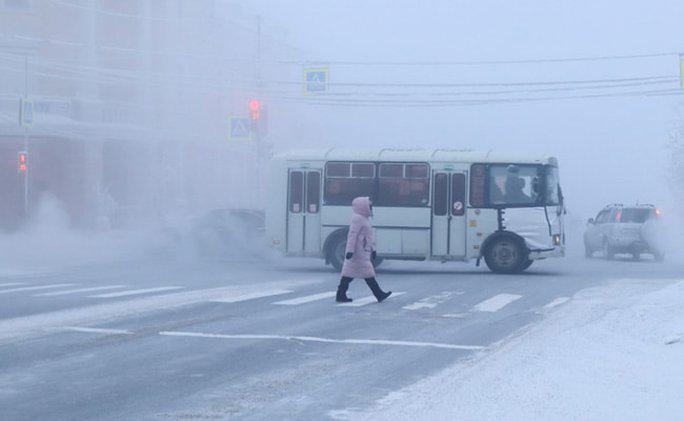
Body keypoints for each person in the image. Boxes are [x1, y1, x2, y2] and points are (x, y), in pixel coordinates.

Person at [335, 197, 392, 303]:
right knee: (367, 274)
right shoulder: (357, 218)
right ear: (363, 206)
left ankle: (340, 295)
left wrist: (373, 249)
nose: (371, 208)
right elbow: (352, 235)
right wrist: (350, 250)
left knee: (349, 274)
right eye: (369, 206)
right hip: (358, 252)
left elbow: (368, 236)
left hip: (362, 251)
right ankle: (379, 294)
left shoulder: (364, 218)